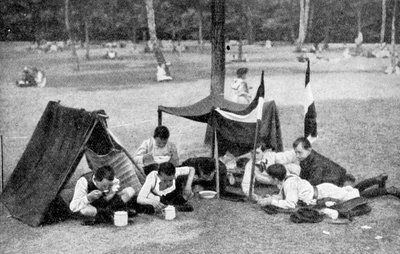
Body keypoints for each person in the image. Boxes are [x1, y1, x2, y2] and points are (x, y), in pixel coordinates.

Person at [292, 137, 399, 199]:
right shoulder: (306, 158)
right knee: (354, 190)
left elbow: (312, 185)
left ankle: (388, 190)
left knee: (355, 196)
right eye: (296, 152)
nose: (297, 155)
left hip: (334, 181)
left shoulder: (316, 164)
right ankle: (378, 179)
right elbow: (305, 176)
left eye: (299, 152)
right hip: (334, 177)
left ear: (309, 150)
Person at [257, 164, 360, 209]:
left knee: (356, 196)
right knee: (350, 192)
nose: (269, 180)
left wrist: (271, 201)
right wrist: (271, 198)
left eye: (270, 177)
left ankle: (374, 182)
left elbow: (290, 204)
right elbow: (284, 195)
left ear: (275, 178)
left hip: (324, 194)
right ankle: (373, 182)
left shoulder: (290, 183)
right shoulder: (287, 178)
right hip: (322, 189)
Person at [69, 165, 136, 225]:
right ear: (95, 180)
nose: (106, 188)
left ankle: (111, 213)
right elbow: (73, 206)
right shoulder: (83, 182)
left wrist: (111, 193)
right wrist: (88, 197)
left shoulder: (111, 179)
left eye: (109, 185)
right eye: (103, 186)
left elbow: (115, 187)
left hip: (108, 203)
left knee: (130, 190)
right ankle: (111, 214)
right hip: (94, 205)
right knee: (85, 210)